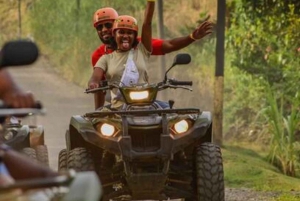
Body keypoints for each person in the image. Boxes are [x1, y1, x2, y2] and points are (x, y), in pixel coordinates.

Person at [89, 6, 213, 109]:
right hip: (117, 100)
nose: (104, 30)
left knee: (173, 116)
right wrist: (96, 110)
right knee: (96, 128)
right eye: (100, 27)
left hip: (143, 99)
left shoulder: (141, 48)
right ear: (115, 34)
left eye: (129, 32)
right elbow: (97, 82)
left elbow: (149, 25)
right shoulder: (103, 57)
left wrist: (192, 37)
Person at [89, 0, 156, 109]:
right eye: (121, 32)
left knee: (175, 119)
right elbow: (95, 77)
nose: (125, 36)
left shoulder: (142, 51)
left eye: (129, 33)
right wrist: (93, 83)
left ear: (135, 36)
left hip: (146, 105)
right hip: (118, 109)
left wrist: (151, 2)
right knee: (94, 123)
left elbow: (147, 23)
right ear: (114, 35)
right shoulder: (105, 58)